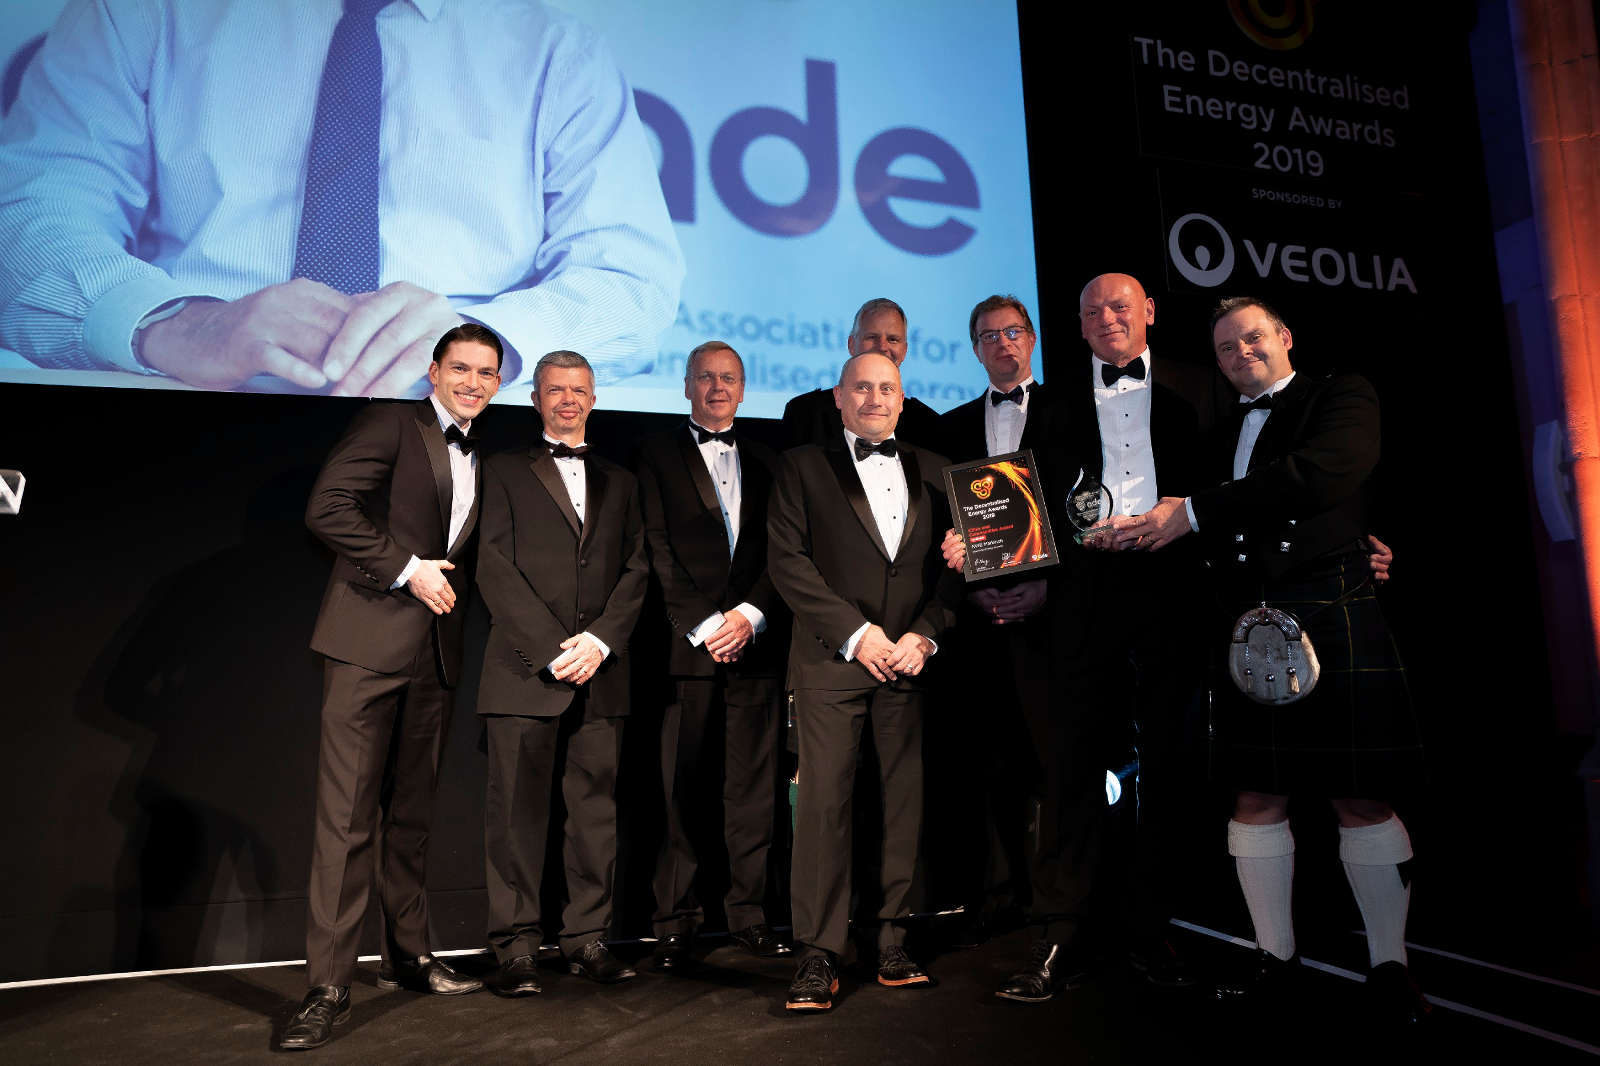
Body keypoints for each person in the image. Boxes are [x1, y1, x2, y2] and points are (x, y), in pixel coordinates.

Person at [0, 0, 682, 393]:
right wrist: (177, 326)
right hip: (179, 413)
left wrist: (480, 346)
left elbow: (629, 280)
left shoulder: (560, 54)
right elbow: (33, 216)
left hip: (464, 438)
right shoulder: (138, 12)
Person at [1118, 296, 1429, 1025]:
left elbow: (1322, 474)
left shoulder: (1341, 395)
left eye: (1252, 338)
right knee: (1256, 796)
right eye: (1225, 348)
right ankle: (1274, 960)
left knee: (1360, 797)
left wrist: (1195, 511)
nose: (1241, 354)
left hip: (1329, 608)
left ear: (1285, 336)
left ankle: (1390, 969)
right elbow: (1184, 517)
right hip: (1244, 620)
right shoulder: (1218, 430)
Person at [284, 321, 501, 1051]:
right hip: (366, 645)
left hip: (435, 655)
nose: (473, 383)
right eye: (461, 368)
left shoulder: (484, 452)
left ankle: (409, 957)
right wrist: (407, 570)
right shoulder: (390, 423)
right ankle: (328, 986)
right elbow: (327, 507)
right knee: (346, 821)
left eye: (486, 373)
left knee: (412, 819)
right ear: (433, 371)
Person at [767, 352, 962, 1013]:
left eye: (887, 388)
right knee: (824, 808)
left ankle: (892, 941)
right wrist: (857, 634)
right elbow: (787, 562)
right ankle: (817, 953)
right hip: (832, 661)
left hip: (908, 661)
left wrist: (925, 635)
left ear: (902, 399)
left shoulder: (940, 470)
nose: (875, 397)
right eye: (862, 387)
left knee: (900, 804)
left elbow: (958, 568)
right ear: (839, 396)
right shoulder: (800, 466)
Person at [930, 295, 1100, 978]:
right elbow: (939, 526)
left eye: (1012, 332)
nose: (1002, 343)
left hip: (1055, 616)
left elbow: (1093, 507)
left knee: (1059, 765)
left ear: (1031, 339)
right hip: (978, 621)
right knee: (989, 763)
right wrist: (972, 582)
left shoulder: (1080, 412)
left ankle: (1060, 908)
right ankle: (997, 897)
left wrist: (1048, 586)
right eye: (988, 335)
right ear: (974, 349)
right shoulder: (948, 428)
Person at [474, 350, 650, 995]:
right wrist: (552, 649)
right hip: (525, 671)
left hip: (601, 672)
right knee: (515, 819)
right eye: (555, 390)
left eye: (578, 389)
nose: (568, 399)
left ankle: (586, 938)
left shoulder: (621, 481)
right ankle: (515, 948)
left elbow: (637, 568)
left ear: (594, 398)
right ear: (535, 399)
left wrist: (599, 642)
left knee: (594, 817)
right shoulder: (500, 470)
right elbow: (492, 565)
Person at [635, 341, 792, 970]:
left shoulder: (771, 461)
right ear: (686, 386)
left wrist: (749, 616)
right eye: (706, 377)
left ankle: (748, 915)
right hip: (688, 652)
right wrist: (705, 625)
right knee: (681, 791)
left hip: (755, 647)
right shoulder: (653, 455)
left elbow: (785, 551)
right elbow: (655, 548)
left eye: (728, 378)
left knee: (754, 792)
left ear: (744, 389)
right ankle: (676, 921)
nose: (717, 387)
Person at [780, 298, 941, 448]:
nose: (882, 347)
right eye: (872, 337)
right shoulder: (804, 414)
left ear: (904, 350)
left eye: (892, 339)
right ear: (851, 344)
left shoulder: (926, 423)